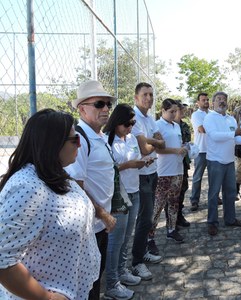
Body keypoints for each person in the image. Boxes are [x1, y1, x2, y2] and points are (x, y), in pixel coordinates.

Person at [0, 109, 100, 299]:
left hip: (76, 288)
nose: (80, 144)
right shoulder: (27, 188)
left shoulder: (54, 173)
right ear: (52, 144)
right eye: (74, 139)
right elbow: (3, 259)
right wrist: (47, 297)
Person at [65, 80, 117, 300]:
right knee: (88, 281)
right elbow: (76, 187)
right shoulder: (80, 138)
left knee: (96, 276)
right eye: (99, 104)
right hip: (90, 226)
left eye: (107, 104)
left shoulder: (98, 136)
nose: (105, 109)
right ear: (82, 108)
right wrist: (103, 214)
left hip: (99, 225)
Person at [103, 104, 149, 299]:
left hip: (134, 191)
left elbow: (135, 159)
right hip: (118, 196)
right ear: (117, 122)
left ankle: (121, 271)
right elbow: (108, 170)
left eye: (133, 124)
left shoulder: (130, 138)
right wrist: (129, 165)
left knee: (125, 238)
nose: (130, 128)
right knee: (116, 240)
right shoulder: (107, 140)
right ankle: (111, 282)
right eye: (127, 124)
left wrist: (141, 163)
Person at [203, 91, 241, 236]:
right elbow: (214, 136)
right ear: (213, 103)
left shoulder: (231, 119)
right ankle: (212, 222)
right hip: (215, 161)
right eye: (218, 99)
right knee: (213, 193)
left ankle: (230, 219)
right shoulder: (209, 118)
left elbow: (235, 139)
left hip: (229, 161)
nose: (221, 101)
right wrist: (235, 133)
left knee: (230, 193)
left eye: (224, 99)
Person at [130, 82, 165, 280]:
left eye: (151, 94)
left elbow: (161, 144)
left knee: (148, 216)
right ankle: (136, 262)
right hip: (141, 174)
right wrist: (155, 141)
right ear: (136, 97)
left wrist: (153, 142)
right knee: (144, 219)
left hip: (153, 171)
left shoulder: (151, 119)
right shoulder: (134, 119)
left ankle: (142, 252)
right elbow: (144, 149)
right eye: (145, 95)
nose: (149, 98)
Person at [148, 99, 187, 245]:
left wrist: (184, 148)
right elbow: (157, 149)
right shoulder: (157, 126)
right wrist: (176, 150)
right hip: (163, 171)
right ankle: (150, 236)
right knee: (158, 205)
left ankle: (171, 230)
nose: (174, 114)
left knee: (174, 202)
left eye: (176, 111)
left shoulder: (176, 126)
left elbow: (176, 144)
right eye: (171, 111)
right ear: (163, 110)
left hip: (177, 169)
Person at [189, 93, 210, 211]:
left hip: (213, 150)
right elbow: (201, 129)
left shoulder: (213, 114)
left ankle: (214, 197)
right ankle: (194, 200)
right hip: (201, 150)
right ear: (198, 102)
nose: (206, 102)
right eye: (203, 100)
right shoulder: (196, 115)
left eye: (207, 100)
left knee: (214, 177)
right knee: (197, 177)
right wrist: (215, 129)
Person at [174, 101, 191, 227]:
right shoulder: (168, 125)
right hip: (171, 163)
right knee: (172, 192)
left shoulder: (184, 125)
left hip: (183, 162)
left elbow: (188, 141)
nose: (183, 113)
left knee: (183, 188)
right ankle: (172, 219)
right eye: (182, 110)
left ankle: (179, 215)